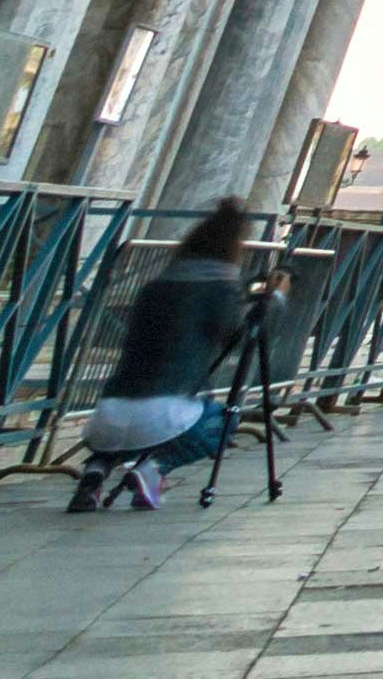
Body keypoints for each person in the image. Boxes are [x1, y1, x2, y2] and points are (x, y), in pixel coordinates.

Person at [72, 201, 265, 513]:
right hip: (163, 413)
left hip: (106, 415)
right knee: (225, 419)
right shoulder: (220, 289)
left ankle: (95, 470)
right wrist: (274, 301)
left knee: (127, 433)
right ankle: (155, 470)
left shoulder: (155, 286)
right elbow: (241, 340)